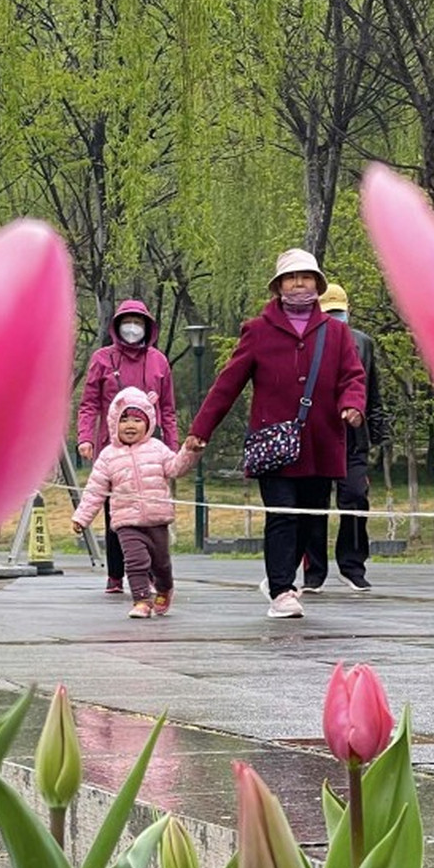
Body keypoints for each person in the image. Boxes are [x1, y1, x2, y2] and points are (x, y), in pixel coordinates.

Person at [184, 249, 365, 620]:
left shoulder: (337, 332)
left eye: (306, 277)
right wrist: (200, 430)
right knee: (282, 515)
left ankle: (281, 577)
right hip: (275, 445)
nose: (299, 284)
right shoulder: (258, 331)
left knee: (311, 518)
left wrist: (352, 404)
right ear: (279, 285)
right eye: (291, 278)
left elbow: (352, 375)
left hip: (322, 443)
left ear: (317, 283)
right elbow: (227, 384)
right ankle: (282, 588)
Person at [77, 299, 177, 594]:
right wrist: (85, 437)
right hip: (113, 447)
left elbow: (168, 409)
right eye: (126, 322)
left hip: (150, 447)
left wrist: (172, 445)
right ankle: (116, 573)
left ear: (147, 326)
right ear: (117, 326)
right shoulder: (101, 359)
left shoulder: (159, 361)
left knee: (150, 509)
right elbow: (89, 404)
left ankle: (149, 569)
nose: (132, 328)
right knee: (116, 512)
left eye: (138, 322)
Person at [73, 387, 198, 618]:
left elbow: (175, 468)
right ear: (113, 423)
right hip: (126, 521)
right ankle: (141, 600)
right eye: (124, 420)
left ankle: (164, 587)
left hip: (157, 519)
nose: (130, 425)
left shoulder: (157, 448)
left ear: (149, 422)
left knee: (161, 564)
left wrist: (189, 452)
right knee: (135, 561)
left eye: (137, 420)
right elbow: (94, 490)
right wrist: (82, 517)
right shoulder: (108, 456)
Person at [301, 282, 389, 592]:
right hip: (317, 435)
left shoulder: (363, 343)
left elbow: (372, 391)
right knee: (314, 503)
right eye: (329, 313)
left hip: (353, 436)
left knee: (355, 497)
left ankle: (352, 566)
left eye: (339, 312)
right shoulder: (307, 342)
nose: (335, 318)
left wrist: (376, 434)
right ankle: (314, 571)